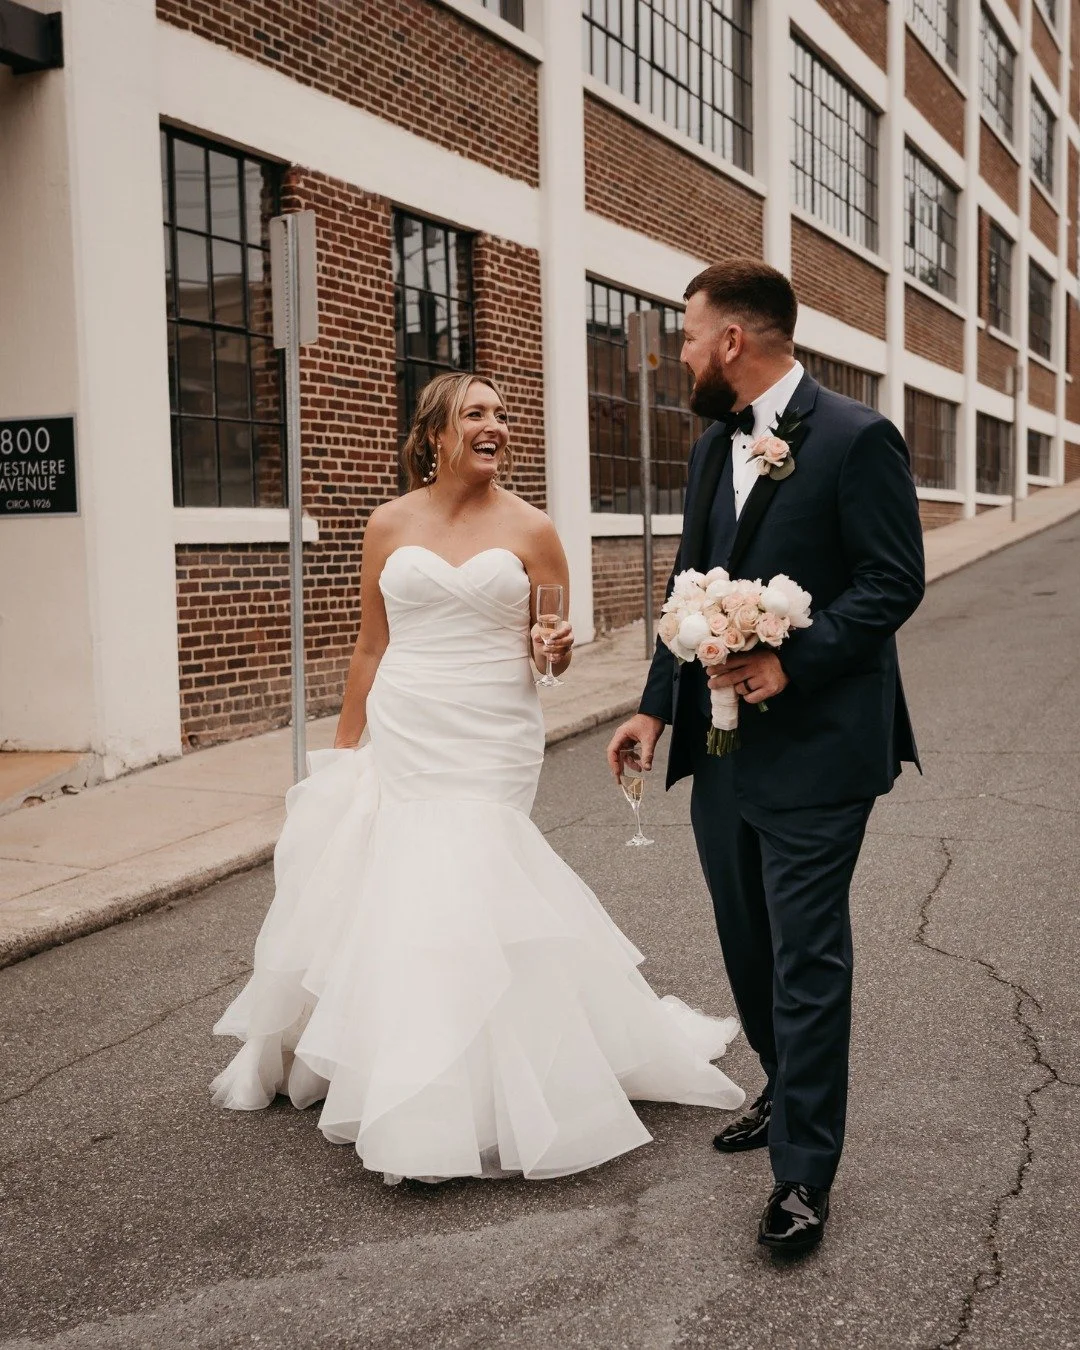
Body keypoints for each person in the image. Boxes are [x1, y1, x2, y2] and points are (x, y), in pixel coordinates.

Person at [211, 371, 744, 1183]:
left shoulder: (532, 529)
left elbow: (555, 647)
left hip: (494, 730)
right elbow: (369, 646)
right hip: (408, 719)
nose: (496, 425)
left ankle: (481, 1080)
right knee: (407, 884)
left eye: (501, 414)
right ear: (434, 435)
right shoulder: (388, 523)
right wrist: (346, 749)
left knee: (473, 872)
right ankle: (410, 1067)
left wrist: (556, 649)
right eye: (476, 414)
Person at [607, 260, 925, 1252]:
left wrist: (797, 662)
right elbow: (688, 582)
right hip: (719, 743)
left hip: (823, 750)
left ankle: (803, 1174)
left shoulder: (858, 438)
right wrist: (656, 709)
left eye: (692, 339)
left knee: (805, 956)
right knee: (748, 944)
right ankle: (784, 1088)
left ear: (734, 343)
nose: (684, 358)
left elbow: (892, 583)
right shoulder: (713, 444)